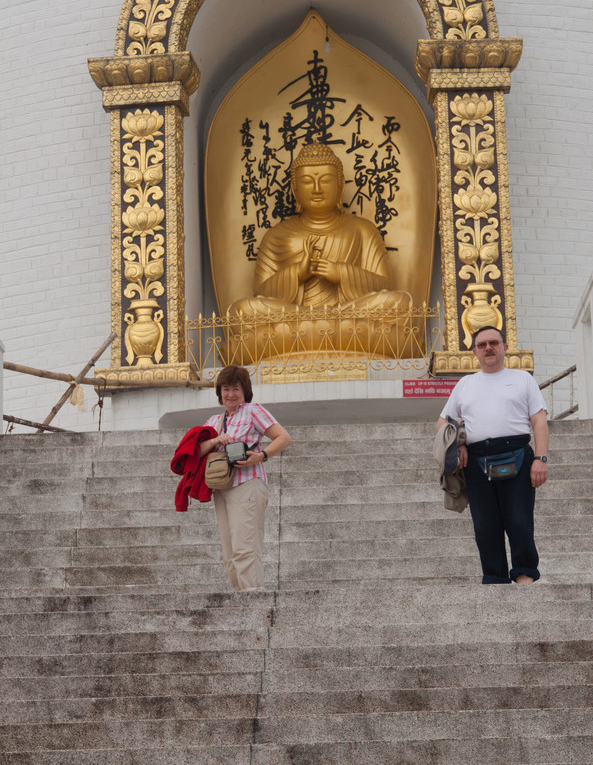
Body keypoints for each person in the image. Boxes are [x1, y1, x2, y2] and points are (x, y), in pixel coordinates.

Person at [228, 142, 414, 357]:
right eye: (307, 181)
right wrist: (298, 274)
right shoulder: (277, 234)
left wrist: (341, 273)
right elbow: (261, 291)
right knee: (241, 311)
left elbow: (384, 284)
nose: (317, 189)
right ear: (295, 189)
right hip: (297, 316)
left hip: (346, 314)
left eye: (326, 180)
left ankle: (317, 329)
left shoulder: (362, 229)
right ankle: (324, 328)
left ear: (341, 186)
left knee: (397, 303)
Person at [437, 326, 549, 584]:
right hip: (476, 461)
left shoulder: (523, 379)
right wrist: (459, 445)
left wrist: (540, 459)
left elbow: (539, 421)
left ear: (504, 347)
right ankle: (495, 580)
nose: (488, 348)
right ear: (474, 351)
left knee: (519, 521)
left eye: (494, 343)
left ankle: (525, 577)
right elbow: (443, 423)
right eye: (482, 344)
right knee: (485, 527)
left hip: (518, 454)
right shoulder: (465, 384)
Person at [199, 364, 291, 591]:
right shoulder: (213, 421)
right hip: (221, 487)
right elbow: (196, 451)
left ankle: (254, 604)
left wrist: (260, 456)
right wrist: (215, 441)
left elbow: (283, 437)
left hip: (247, 483)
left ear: (245, 391)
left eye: (236, 389)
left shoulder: (253, 411)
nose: (231, 394)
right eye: (226, 389)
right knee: (229, 553)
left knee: (245, 549)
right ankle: (242, 600)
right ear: (219, 392)